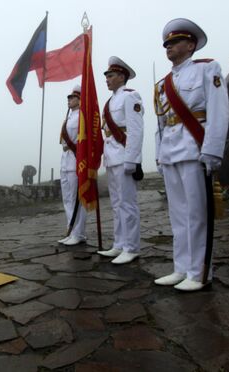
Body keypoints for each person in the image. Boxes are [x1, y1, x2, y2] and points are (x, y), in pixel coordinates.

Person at [153, 18, 229, 291]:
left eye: (174, 42)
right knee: (178, 214)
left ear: (190, 44)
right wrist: (159, 156)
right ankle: (181, 268)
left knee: (197, 213)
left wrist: (212, 151)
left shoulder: (207, 69)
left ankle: (199, 273)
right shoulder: (163, 84)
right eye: (166, 44)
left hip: (195, 149)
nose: (169, 47)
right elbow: (161, 125)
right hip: (171, 152)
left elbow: (219, 112)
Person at [96, 56, 144, 264]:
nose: (107, 79)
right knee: (116, 204)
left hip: (124, 156)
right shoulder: (109, 102)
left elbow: (136, 130)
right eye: (106, 75)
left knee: (127, 203)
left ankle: (131, 247)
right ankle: (119, 244)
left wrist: (133, 159)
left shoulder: (130, 96)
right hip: (111, 157)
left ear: (122, 76)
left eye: (111, 75)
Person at [58, 85, 87, 246]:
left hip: (76, 159)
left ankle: (79, 233)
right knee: (67, 199)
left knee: (77, 198)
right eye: (68, 98)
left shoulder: (83, 116)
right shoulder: (69, 117)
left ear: (79, 99)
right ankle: (71, 230)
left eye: (72, 97)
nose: (69, 100)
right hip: (65, 159)